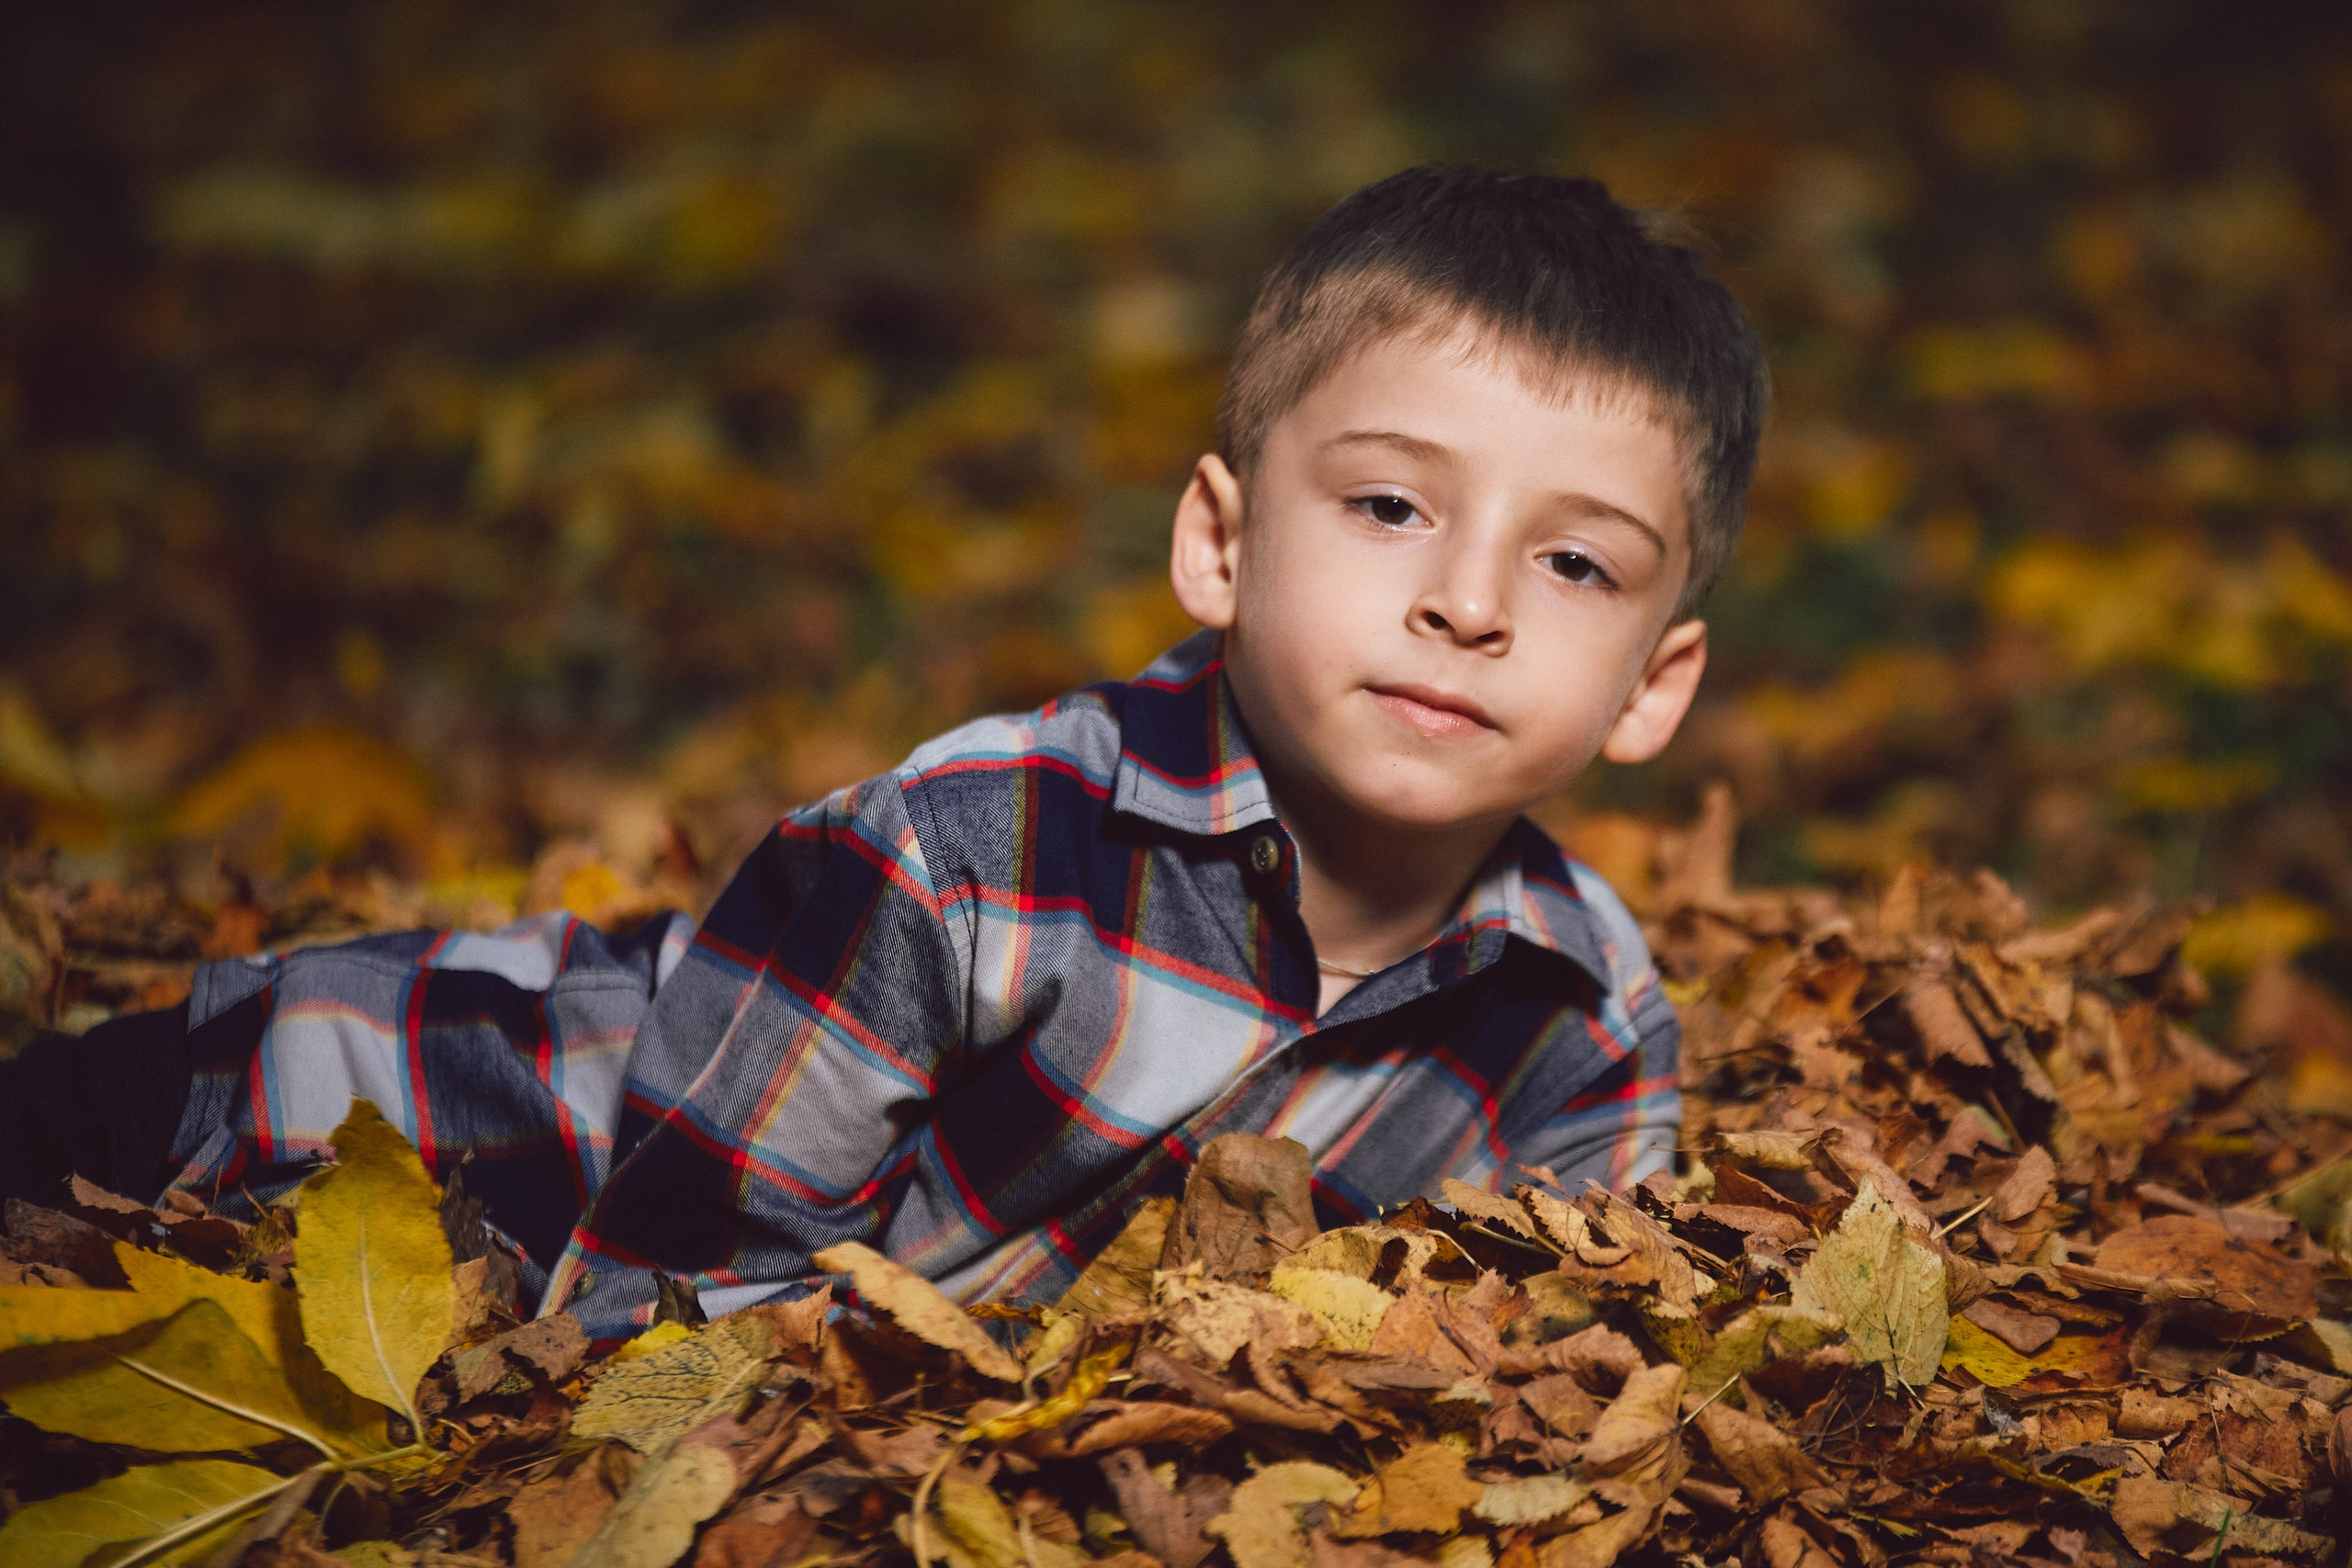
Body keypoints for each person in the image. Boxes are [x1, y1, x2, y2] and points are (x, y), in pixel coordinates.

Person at [1, 166, 1766, 1342]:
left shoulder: (1585, 1015)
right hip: (393, 1115)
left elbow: (1527, 1360)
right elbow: (667, 1324)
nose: (1469, 603)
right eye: (1391, 505)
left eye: (1574, 563)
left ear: (1652, 685)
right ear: (1221, 547)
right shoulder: (959, 856)